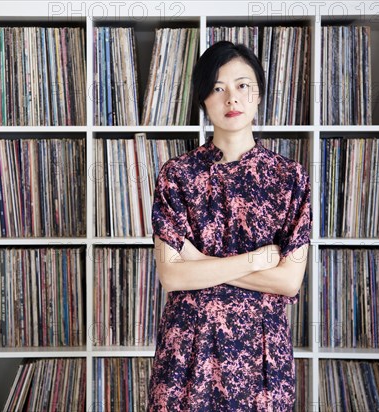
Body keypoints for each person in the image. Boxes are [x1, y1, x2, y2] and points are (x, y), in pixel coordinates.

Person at [147, 41, 311, 411]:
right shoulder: (178, 175)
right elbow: (171, 277)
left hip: (262, 353)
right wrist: (257, 260)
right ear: (204, 100)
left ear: (258, 96)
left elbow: (288, 281)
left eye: (242, 86)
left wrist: (199, 259)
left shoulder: (290, 177)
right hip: (188, 350)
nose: (231, 98)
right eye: (218, 88)